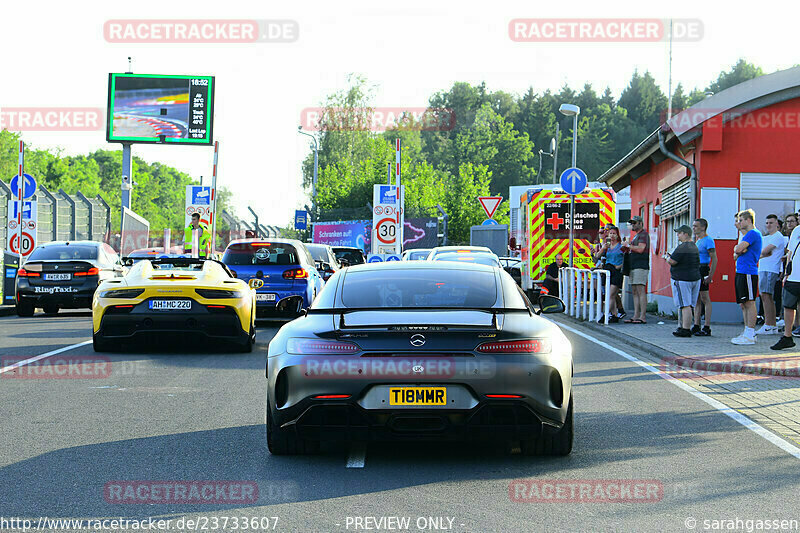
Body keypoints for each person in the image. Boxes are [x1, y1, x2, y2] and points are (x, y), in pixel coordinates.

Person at [731, 209, 762, 345]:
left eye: (741, 220)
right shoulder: (746, 236)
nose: (738, 223)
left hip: (749, 272)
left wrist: (739, 249)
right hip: (741, 271)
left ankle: (750, 333)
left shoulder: (753, 234)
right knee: (743, 303)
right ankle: (746, 331)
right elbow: (736, 252)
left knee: (750, 302)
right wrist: (738, 250)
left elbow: (738, 250)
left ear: (748, 220)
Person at [665, 225, 701, 337]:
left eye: (679, 233)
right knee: (689, 305)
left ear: (686, 234)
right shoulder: (694, 246)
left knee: (685, 305)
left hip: (682, 279)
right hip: (695, 278)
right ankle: (685, 326)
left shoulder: (683, 247)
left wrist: (666, 258)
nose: (677, 235)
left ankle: (685, 329)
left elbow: (672, 261)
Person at [771, 219, 800, 350]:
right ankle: (787, 337)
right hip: (794, 277)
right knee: (788, 306)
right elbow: (790, 253)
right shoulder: (797, 231)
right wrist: (787, 273)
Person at [756, 214, 787, 336]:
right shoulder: (766, 237)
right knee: (764, 296)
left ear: (777, 225)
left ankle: (769, 324)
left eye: (771, 223)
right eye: (767, 223)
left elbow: (763, 251)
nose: (768, 225)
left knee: (767, 296)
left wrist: (762, 254)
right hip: (763, 269)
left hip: (770, 270)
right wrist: (762, 254)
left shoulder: (778, 237)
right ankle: (771, 325)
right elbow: (760, 252)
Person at [691, 218, 717, 336]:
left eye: (696, 226)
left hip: (703, 269)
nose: (694, 228)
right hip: (696, 269)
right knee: (696, 299)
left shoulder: (708, 240)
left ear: (702, 227)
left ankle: (707, 326)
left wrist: (710, 275)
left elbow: (714, 259)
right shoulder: (698, 240)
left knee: (705, 298)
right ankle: (696, 325)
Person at [594, 226, 624, 323]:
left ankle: (605, 314)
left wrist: (618, 267)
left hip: (616, 272)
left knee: (611, 294)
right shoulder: (607, 246)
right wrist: (603, 249)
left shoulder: (621, 246)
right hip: (607, 271)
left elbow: (626, 259)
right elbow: (597, 256)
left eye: (614, 233)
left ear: (617, 235)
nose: (612, 235)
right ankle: (614, 315)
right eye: (610, 233)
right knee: (608, 294)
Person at [624, 216, 650, 324]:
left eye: (635, 223)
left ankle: (642, 316)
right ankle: (636, 315)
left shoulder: (643, 234)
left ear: (640, 223)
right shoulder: (636, 236)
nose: (633, 225)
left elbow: (641, 249)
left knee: (640, 290)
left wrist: (628, 246)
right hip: (633, 265)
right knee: (634, 291)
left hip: (641, 265)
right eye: (632, 223)